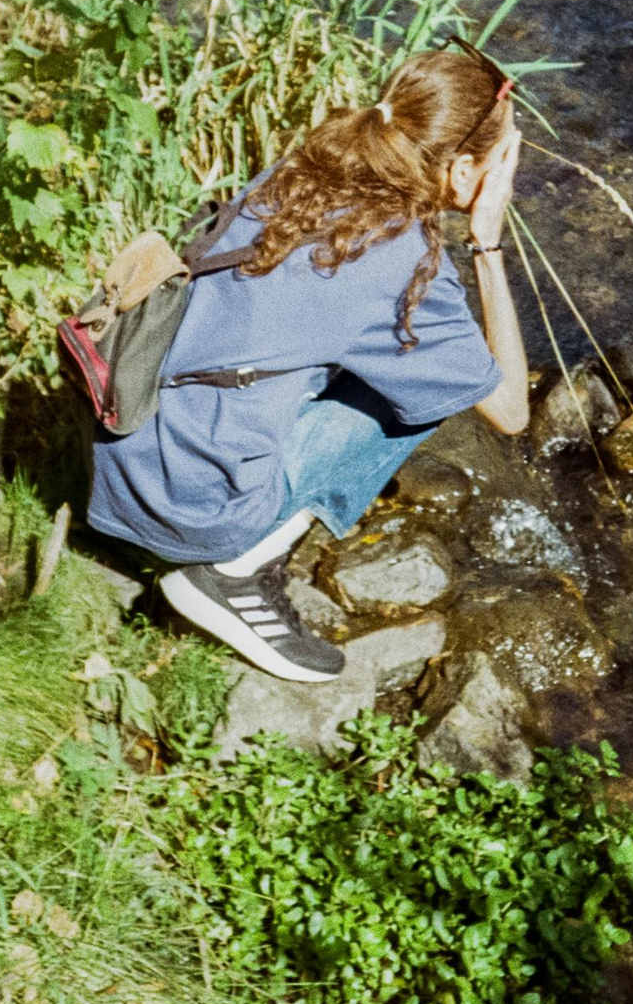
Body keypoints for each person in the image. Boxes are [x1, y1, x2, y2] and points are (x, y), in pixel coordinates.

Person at [84, 46, 530, 683]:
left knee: (382, 359)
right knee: (424, 397)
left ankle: (199, 527)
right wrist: (487, 241)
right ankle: (231, 574)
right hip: (189, 510)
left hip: (123, 451)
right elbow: (510, 409)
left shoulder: (304, 168)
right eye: (504, 160)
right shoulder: (403, 265)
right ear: (461, 171)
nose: (509, 177)